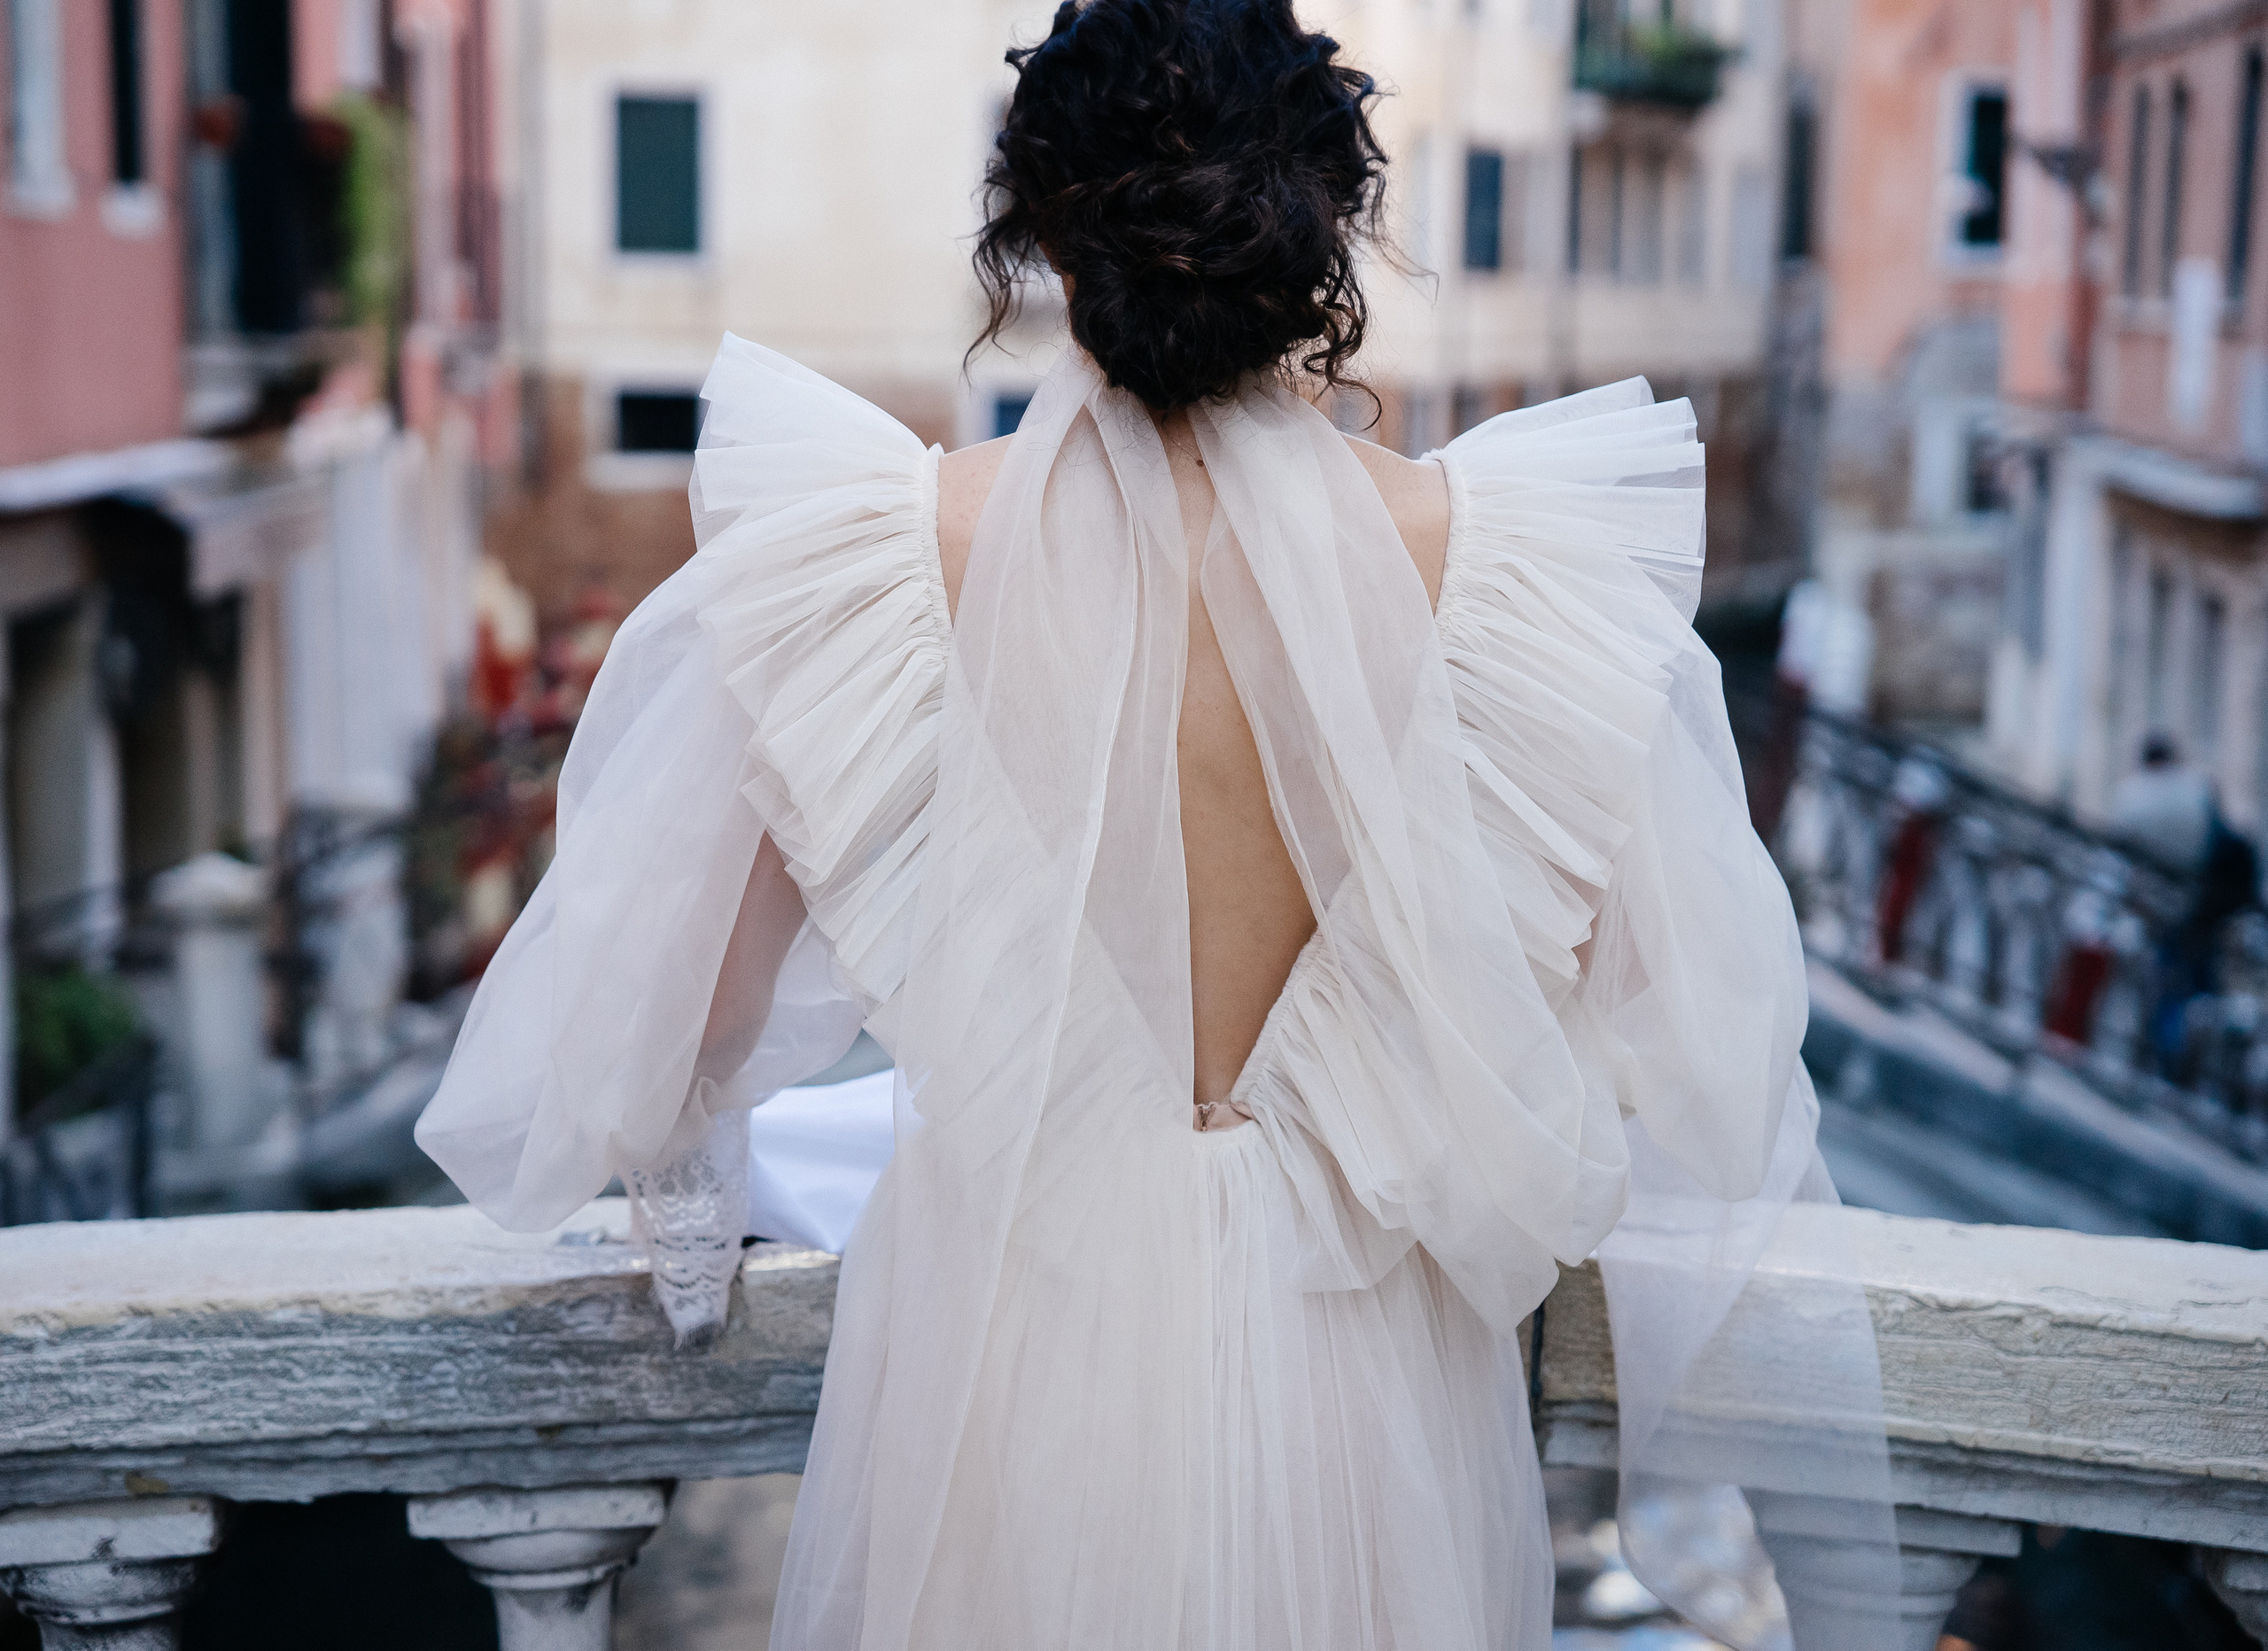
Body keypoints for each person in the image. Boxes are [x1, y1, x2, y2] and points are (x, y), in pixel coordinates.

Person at [416, 4, 1898, 1647]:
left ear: (1043, 232)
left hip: (1001, 1375)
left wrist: (705, 1202)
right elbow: (1698, 1050)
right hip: (1378, 1399)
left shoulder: (874, 564)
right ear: (1328, 224)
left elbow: (650, 1037)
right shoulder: (1513, 578)